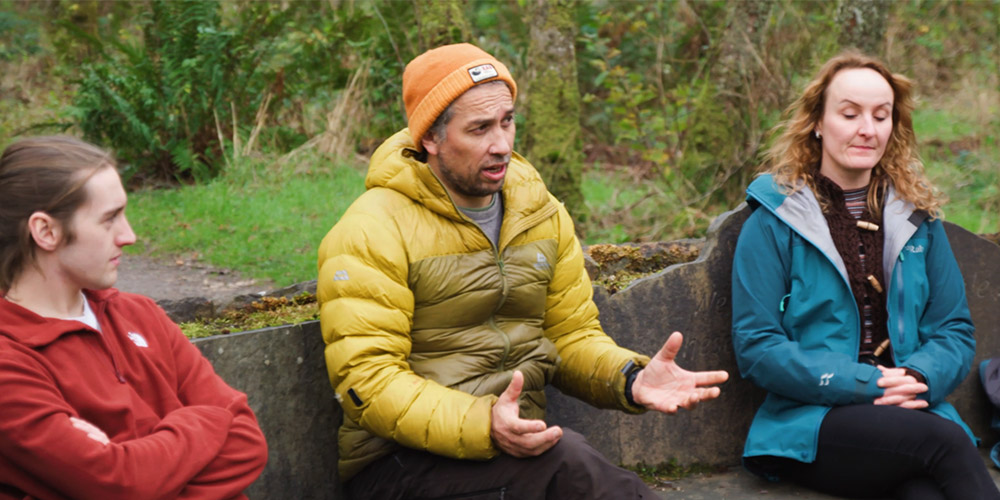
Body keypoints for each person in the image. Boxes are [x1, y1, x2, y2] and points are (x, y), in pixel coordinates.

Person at [318, 43, 729, 499]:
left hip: (517, 452)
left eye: (507, 121)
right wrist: (483, 424)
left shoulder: (540, 213)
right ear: (429, 139)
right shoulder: (372, 229)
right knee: (572, 468)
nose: (502, 145)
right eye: (479, 129)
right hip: (398, 465)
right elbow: (368, 381)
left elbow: (569, 336)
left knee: (566, 465)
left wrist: (629, 379)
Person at [731, 52, 1000, 499]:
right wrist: (865, 382)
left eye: (881, 115)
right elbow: (758, 347)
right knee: (949, 443)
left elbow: (954, 329)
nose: (867, 129)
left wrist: (917, 376)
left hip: (910, 415)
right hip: (812, 423)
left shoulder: (918, 220)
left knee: (925, 494)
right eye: (850, 113)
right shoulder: (773, 220)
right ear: (817, 121)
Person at [0, 136, 268, 499]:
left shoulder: (140, 314)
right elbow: (120, 484)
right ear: (46, 231)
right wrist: (208, 419)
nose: (129, 236)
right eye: (109, 219)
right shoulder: (9, 362)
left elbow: (248, 442)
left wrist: (142, 464)